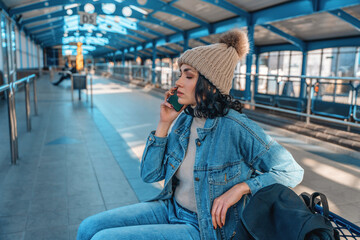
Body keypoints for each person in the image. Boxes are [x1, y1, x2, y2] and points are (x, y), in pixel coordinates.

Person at [76, 29, 304, 240]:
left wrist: (241, 188)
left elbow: (291, 171)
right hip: (171, 208)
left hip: (203, 227)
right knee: (88, 227)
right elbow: (150, 175)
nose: (178, 82)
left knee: (104, 238)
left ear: (210, 84)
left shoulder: (235, 126)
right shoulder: (185, 119)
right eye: (180, 74)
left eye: (188, 75)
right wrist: (164, 124)